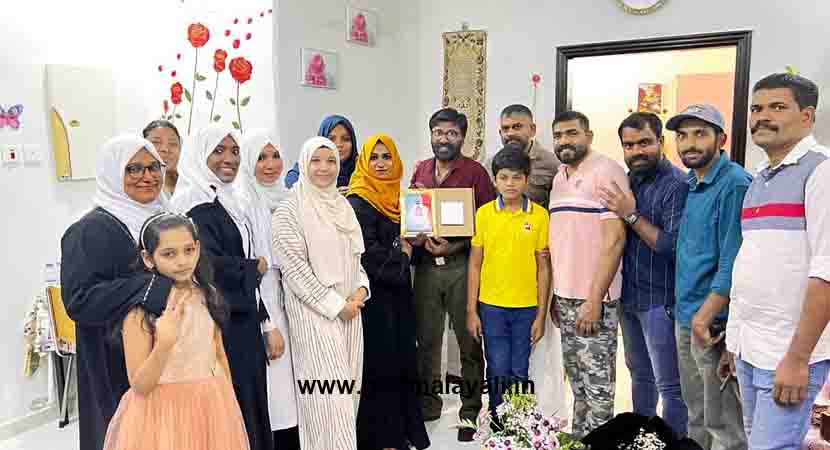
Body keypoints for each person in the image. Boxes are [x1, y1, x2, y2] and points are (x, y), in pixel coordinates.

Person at [728, 73, 830, 450]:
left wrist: (799, 358)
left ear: (807, 116)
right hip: (751, 346)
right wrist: (735, 339)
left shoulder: (821, 171)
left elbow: (826, 273)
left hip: (788, 351)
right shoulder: (760, 177)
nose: (762, 117)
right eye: (756, 108)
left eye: (777, 107)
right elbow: (752, 260)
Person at [60, 135, 175, 450]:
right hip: (114, 362)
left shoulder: (166, 219)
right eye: (133, 169)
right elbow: (78, 300)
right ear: (112, 173)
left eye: (153, 167)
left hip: (166, 354)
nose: (147, 176)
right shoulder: (89, 230)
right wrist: (146, 286)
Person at [102, 213, 249, 450]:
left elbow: (218, 353)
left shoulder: (207, 295)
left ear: (198, 248)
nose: (182, 261)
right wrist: (164, 344)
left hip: (211, 405)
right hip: (162, 415)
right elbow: (140, 386)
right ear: (148, 258)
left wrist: (227, 405)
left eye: (189, 250)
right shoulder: (142, 311)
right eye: (169, 254)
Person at [171, 125, 273, 450]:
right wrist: (253, 267)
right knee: (232, 410)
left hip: (242, 319)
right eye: (218, 150)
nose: (229, 158)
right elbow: (206, 265)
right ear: (200, 155)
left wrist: (264, 319)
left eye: (234, 151)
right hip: (220, 324)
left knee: (250, 404)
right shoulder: (193, 205)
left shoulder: (226, 199)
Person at [272, 136, 370, 450]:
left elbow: (356, 259)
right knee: (327, 403)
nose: (324, 168)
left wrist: (360, 291)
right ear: (303, 164)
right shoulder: (289, 211)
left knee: (348, 397)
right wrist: (337, 305)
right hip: (316, 316)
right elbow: (295, 271)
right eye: (316, 160)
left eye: (330, 161)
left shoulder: (342, 205)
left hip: (351, 313)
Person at [598, 112, 689, 436]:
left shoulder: (677, 185)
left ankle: (673, 442)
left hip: (661, 299)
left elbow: (671, 246)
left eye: (644, 143)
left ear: (661, 142)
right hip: (630, 295)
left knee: (670, 385)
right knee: (639, 375)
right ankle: (643, 439)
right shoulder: (627, 180)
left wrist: (631, 215)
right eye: (629, 145)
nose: (637, 151)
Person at [409, 107, 496, 441]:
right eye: (438, 132)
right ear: (431, 134)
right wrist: (417, 238)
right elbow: (413, 214)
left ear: (462, 137)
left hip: (462, 267)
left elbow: (487, 225)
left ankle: (470, 410)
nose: (444, 139)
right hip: (427, 269)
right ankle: (429, 405)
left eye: (451, 133)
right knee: (427, 341)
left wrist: (455, 245)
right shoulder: (421, 169)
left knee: (468, 342)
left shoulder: (476, 173)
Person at [667, 104, 750, 450]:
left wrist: (706, 316)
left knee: (723, 423)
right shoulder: (693, 182)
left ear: (722, 139)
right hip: (687, 315)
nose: (689, 143)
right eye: (682, 135)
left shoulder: (734, 184)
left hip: (713, 322)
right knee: (697, 413)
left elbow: (734, 261)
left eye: (700, 134)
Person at [347, 134, 431, 450]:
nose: (381, 164)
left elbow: (408, 244)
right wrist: (405, 254)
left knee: (402, 360)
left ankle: (401, 432)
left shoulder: (400, 198)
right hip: (375, 299)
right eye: (374, 157)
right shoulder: (358, 201)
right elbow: (368, 256)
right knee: (381, 366)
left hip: (399, 296)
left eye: (386, 157)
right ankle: (382, 438)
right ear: (363, 162)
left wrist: (416, 244)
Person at [547, 111, 628, 438]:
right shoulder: (559, 177)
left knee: (598, 387)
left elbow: (615, 241)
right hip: (565, 297)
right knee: (578, 382)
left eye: (572, 133)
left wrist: (594, 300)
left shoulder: (607, 171)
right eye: (558, 135)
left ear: (589, 136)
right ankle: (581, 441)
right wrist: (556, 295)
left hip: (594, 299)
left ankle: (600, 442)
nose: (564, 141)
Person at [466, 144, 552, 424]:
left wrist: (541, 315)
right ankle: (497, 423)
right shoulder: (484, 214)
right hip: (491, 307)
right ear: (495, 180)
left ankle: (518, 424)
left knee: (519, 370)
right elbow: (475, 264)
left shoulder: (539, 216)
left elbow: (543, 267)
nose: (510, 183)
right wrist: (471, 310)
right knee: (497, 368)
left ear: (527, 179)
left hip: (526, 308)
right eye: (504, 177)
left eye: (517, 177)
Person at [237, 129, 300, 450]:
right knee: (276, 392)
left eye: (275, 156)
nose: (270, 164)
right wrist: (267, 323)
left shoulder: (290, 199)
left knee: (295, 392)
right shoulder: (244, 204)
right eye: (261, 157)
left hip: (293, 301)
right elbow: (252, 267)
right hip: (265, 303)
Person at [486, 104, 560, 208]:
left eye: (517, 127)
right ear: (500, 133)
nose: (510, 133)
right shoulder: (490, 164)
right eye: (505, 128)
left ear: (532, 129)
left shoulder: (552, 163)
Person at [285, 115, 359, 193]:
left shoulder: (362, 167)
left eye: (346, 139)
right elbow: (292, 182)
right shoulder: (309, 164)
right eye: (331, 139)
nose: (339, 144)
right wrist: (327, 194)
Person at [143, 120, 182, 196]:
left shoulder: (191, 189)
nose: (165, 149)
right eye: (156, 142)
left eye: (172, 143)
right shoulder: (133, 189)